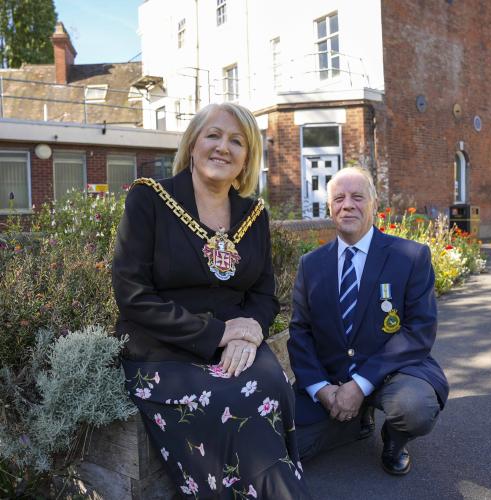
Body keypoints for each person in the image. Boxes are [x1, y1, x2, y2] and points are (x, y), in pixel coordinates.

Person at [112, 102, 311, 499]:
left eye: (237, 141)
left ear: (246, 159)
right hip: (163, 350)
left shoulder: (254, 215)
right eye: (214, 135)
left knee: (273, 384)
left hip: (237, 347)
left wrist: (250, 331)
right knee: (227, 401)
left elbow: (263, 294)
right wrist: (219, 333)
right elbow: (133, 296)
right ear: (192, 144)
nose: (224, 147)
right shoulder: (148, 199)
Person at [288, 165, 449, 475]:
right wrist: (321, 389)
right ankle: (356, 421)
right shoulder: (311, 265)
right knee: (288, 442)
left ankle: (394, 438)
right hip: (332, 378)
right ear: (331, 208)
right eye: (339, 198)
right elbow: (300, 333)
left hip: (392, 373)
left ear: (374, 204)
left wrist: (359, 385)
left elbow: (419, 330)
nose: (347, 205)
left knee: (414, 409)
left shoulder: (410, 256)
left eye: (358, 197)